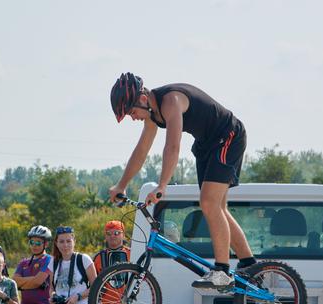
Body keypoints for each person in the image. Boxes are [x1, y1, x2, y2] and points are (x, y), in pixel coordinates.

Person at [108, 73, 257, 289]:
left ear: (142, 99)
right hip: (206, 145)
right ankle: (250, 265)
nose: (133, 118)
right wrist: (121, 185)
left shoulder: (171, 101)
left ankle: (223, 271)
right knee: (218, 208)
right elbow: (141, 151)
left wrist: (162, 185)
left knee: (209, 203)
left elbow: (172, 147)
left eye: (131, 112)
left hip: (228, 136)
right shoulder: (152, 114)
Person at [92, 220, 130, 304]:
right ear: (105, 236)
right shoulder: (99, 257)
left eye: (117, 233)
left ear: (123, 235)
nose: (113, 236)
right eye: (109, 233)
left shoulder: (132, 253)